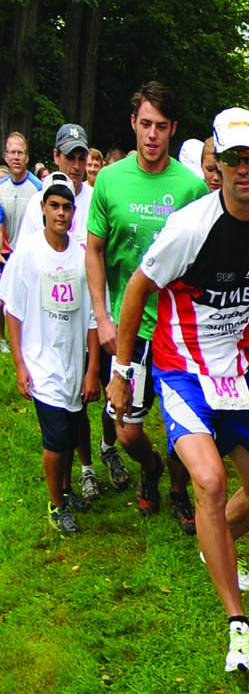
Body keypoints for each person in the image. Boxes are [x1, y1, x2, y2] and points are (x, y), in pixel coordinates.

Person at [107, 109, 249, 675]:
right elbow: (138, 290)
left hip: (237, 375)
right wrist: (121, 368)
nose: (241, 170)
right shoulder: (190, 226)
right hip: (181, 368)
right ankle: (238, 625)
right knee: (209, 481)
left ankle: (216, 546)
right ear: (217, 161)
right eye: (231, 160)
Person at [86, 82, 211, 517]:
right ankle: (149, 463)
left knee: (185, 423)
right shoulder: (109, 180)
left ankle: (178, 492)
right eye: (145, 124)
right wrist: (102, 317)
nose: (152, 134)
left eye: (161, 126)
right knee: (126, 429)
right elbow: (94, 250)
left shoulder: (192, 189)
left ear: (173, 129)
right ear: (133, 124)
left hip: (177, 330)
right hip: (129, 327)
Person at [5, 177, 100, 534]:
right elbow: (13, 311)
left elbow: (92, 317)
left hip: (73, 364)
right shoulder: (27, 254)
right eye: (54, 206)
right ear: (43, 208)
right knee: (56, 438)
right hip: (41, 364)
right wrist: (19, 364)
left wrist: (92, 370)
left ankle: (66, 487)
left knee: (73, 429)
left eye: (67, 207)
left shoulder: (80, 258)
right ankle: (56, 504)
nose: (61, 213)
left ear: (74, 214)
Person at [0, 129, 42, 257]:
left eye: (20, 153)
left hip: (32, 254)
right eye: (13, 152)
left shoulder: (38, 188)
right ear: (6, 157)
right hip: (9, 256)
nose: (16, 157)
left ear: (27, 157)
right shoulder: (1, 188)